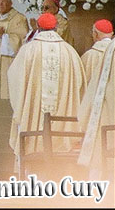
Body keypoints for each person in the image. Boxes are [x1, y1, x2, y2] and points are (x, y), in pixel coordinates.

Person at [8, 13, 85, 161]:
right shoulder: (69, 52)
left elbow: (14, 78)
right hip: (63, 121)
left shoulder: (28, 50)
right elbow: (79, 84)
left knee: (32, 136)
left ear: (38, 27)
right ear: (56, 28)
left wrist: (21, 106)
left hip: (33, 117)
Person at [76, 39, 115, 178]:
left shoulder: (111, 49)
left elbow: (90, 86)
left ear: (95, 34)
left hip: (108, 120)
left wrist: (84, 116)